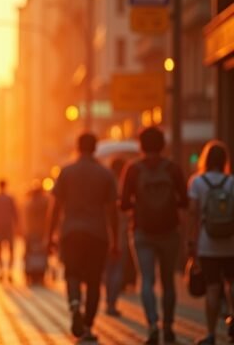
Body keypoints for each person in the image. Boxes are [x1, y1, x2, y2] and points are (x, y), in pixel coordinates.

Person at [121, 126, 188, 345]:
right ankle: (168, 327)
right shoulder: (172, 169)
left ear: (140, 145)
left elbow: (123, 203)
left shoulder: (133, 169)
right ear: (162, 144)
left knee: (146, 280)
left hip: (142, 232)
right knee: (168, 282)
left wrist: (138, 204)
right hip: (169, 232)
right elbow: (185, 201)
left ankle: (152, 325)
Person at [49, 133, 118, 342]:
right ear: (95, 148)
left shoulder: (66, 172)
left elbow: (55, 207)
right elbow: (112, 210)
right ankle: (87, 326)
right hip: (97, 234)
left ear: (77, 147)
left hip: (71, 233)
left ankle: (74, 305)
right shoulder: (105, 174)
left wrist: (49, 235)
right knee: (94, 281)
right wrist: (115, 239)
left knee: (72, 274)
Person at [187, 141, 234, 345]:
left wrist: (192, 242)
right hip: (231, 242)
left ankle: (211, 334)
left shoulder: (197, 182)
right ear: (224, 160)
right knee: (232, 284)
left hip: (207, 243)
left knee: (213, 288)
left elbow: (193, 215)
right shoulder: (232, 182)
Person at [104, 157, 131, 317]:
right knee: (117, 268)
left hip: (103, 230)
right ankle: (111, 303)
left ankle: (109, 300)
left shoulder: (106, 184)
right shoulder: (123, 185)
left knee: (108, 269)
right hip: (120, 231)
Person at [0, 179, 19, 282]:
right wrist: (18, 226)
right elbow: (15, 214)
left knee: (0, 250)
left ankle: (1, 271)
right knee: (10, 250)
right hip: (8, 226)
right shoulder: (10, 198)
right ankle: (9, 271)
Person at [24, 182, 50, 285]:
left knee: (31, 254)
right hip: (42, 232)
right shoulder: (46, 203)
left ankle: (31, 273)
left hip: (31, 232)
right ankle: (40, 274)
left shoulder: (29, 203)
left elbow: (26, 219)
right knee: (42, 253)